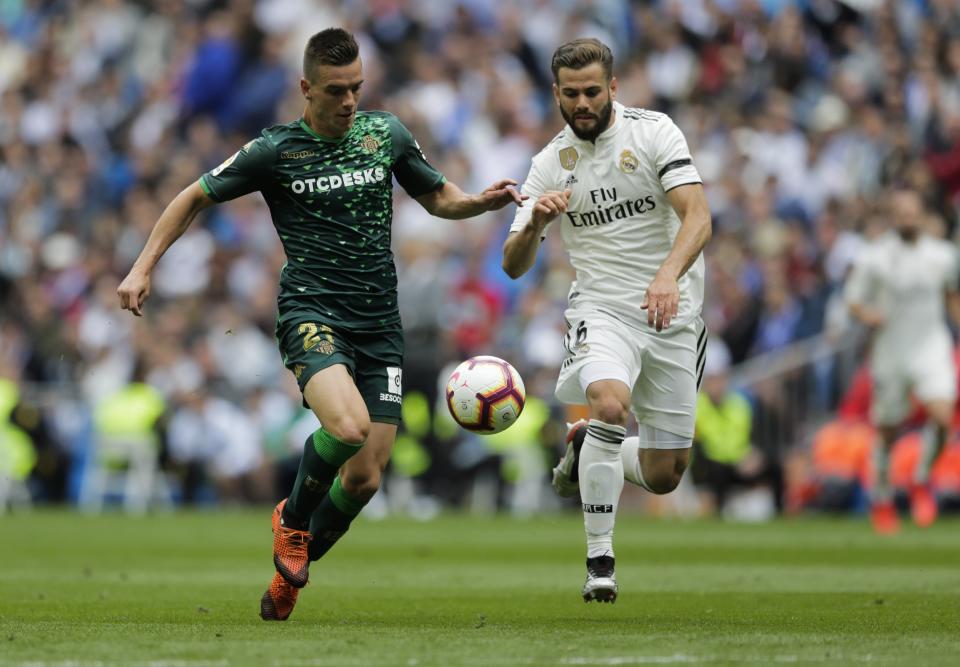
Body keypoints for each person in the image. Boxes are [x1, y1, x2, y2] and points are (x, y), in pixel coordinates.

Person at [117, 28, 524, 621]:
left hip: (380, 323)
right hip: (313, 311)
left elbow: (437, 197)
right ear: (306, 88)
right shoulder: (275, 151)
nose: (350, 101)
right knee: (349, 426)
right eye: (336, 90)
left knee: (363, 481)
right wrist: (141, 267)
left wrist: (480, 203)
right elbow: (191, 198)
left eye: (357, 87)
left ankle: (288, 581)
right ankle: (291, 520)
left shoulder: (385, 134)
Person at [501, 38, 711, 602]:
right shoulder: (549, 163)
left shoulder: (654, 132)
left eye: (593, 91)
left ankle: (587, 444)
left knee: (666, 473)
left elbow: (698, 214)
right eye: (571, 94)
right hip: (601, 309)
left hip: (673, 311)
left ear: (613, 87)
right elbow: (513, 266)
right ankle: (600, 563)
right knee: (610, 404)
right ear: (556, 95)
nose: (583, 102)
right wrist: (535, 225)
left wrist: (668, 273)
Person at [844, 188, 960, 535]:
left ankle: (922, 477)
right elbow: (853, 300)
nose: (908, 219)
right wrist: (868, 315)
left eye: (913, 213)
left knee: (943, 416)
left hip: (930, 345)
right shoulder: (875, 257)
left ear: (922, 215)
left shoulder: (942, 255)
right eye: (901, 214)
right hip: (891, 351)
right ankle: (881, 497)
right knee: (888, 431)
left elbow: (951, 296)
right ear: (893, 217)